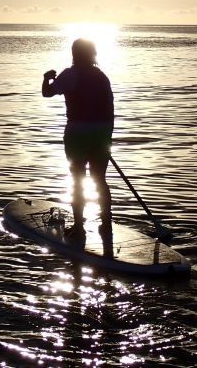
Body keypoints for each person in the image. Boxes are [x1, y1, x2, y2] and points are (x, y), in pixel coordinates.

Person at [42, 38, 114, 244]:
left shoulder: (70, 74)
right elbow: (110, 110)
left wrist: (46, 78)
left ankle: (79, 227)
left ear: (74, 53)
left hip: (78, 133)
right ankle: (106, 223)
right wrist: (105, 136)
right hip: (102, 132)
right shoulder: (102, 77)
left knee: (78, 179)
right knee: (100, 179)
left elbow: (47, 93)